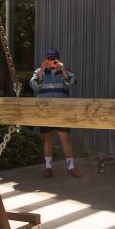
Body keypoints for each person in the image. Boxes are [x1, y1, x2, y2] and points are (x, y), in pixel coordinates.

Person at [29, 49, 82, 178]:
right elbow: (34, 85)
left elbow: (71, 83)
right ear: (46, 59)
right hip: (45, 111)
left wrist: (63, 70)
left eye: (54, 58)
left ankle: (71, 167)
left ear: (58, 58)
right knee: (48, 138)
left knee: (65, 139)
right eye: (49, 58)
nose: (52, 61)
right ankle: (48, 168)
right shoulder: (38, 71)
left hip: (61, 112)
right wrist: (42, 69)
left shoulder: (65, 71)